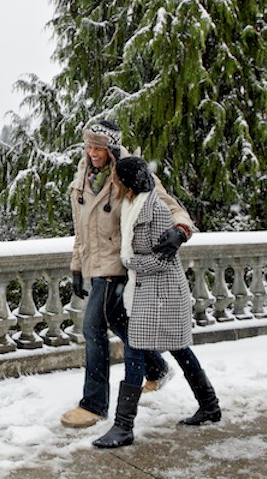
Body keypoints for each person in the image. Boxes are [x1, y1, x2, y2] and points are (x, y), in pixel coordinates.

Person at [61, 120, 195, 428]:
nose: (93, 152)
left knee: (93, 330)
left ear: (111, 147)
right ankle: (158, 368)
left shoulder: (130, 172)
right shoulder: (81, 177)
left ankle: (94, 404)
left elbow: (169, 205)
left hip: (120, 266)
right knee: (122, 324)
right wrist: (77, 267)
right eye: (89, 146)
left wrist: (181, 230)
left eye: (99, 147)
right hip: (95, 267)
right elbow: (80, 230)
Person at [93, 156, 221, 448]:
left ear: (128, 183)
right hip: (149, 291)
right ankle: (210, 405)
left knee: (136, 352)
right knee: (179, 348)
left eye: (117, 178)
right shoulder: (132, 205)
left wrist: (131, 261)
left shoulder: (156, 210)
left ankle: (123, 426)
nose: (113, 181)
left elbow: (165, 260)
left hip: (161, 292)